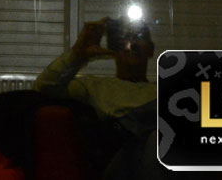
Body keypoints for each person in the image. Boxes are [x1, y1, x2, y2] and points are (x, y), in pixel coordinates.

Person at [35, 17, 158, 178]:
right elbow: (43, 88)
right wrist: (78, 54)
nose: (132, 43)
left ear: (150, 49)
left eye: (139, 37)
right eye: (125, 38)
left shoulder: (166, 90)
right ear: (114, 47)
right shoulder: (94, 86)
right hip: (120, 162)